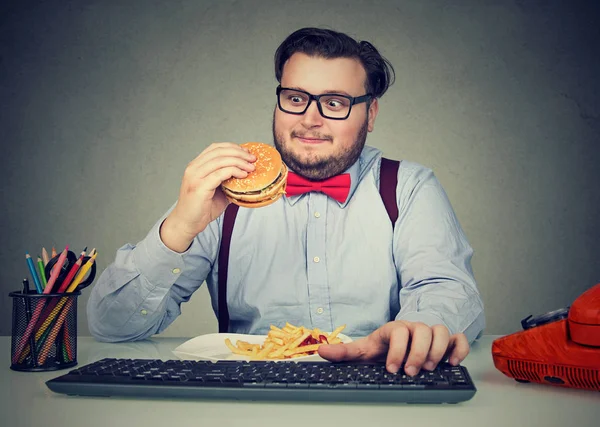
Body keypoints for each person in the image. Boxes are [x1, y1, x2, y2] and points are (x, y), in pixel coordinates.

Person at [87, 27, 485, 376]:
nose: (310, 119)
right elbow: (111, 327)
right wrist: (179, 229)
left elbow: (446, 290)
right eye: (296, 98)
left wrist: (418, 330)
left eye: (334, 103)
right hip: (245, 404)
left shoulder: (409, 187)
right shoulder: (224, 190)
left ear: (371, 113)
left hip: (379, 390)